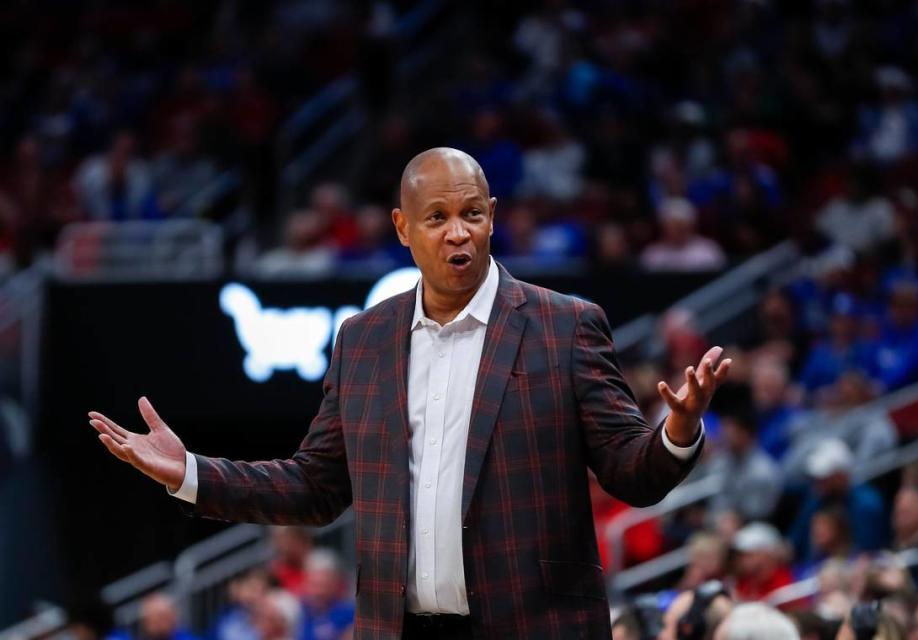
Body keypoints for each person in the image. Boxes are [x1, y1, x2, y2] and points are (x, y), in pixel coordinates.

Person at [89, 147, 731, 639]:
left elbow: (631, 474)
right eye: (438, 217)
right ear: (403, 228)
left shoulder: (565, 326)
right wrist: (192, 473)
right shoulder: (363, 340)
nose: (458, 233)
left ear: (492, 218)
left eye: (472, 214)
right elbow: (316, 485)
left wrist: (675, 434)